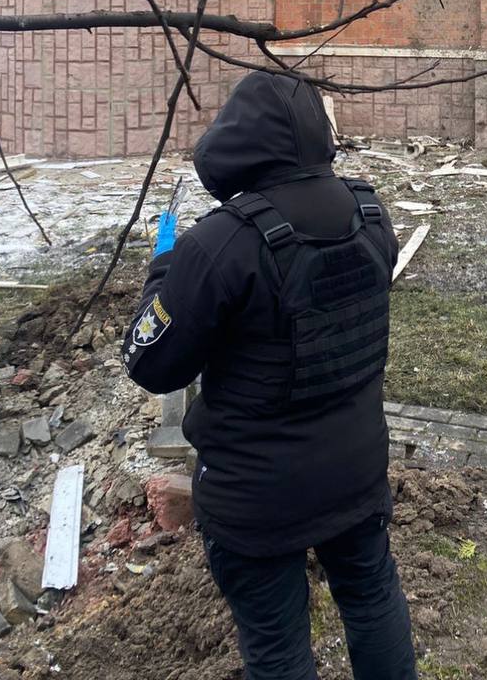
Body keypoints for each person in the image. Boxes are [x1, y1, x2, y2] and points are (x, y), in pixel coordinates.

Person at [122, 71, 417, 680]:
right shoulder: (370, 215)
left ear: (236, 143)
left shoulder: (217, 245)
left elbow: (151, 362)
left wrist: (163, 272)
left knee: (278, 651)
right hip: (355, 474)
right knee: (372, 602)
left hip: (257, 501)